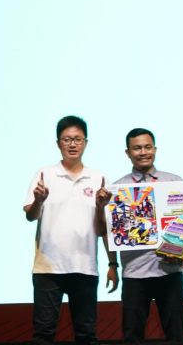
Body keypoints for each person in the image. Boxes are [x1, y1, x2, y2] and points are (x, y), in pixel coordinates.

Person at [23, 115, 111, 345]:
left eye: (78, 139)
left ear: (86, 142)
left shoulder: (98, 178)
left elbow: (102, 230)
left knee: (86, 336)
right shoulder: (44, 174)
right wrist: (39, 200)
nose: (72, 144)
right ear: (58, 143)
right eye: (67, 139)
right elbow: (30, 216)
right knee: (43, 335)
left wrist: (100, 207)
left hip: (85, 267)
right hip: (47, 268)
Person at [108, 128, 183, 343]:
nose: (143, 152)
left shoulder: (174, 181)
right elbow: (111, 231)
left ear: (155, 149)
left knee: (177, 336)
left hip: (170, 270)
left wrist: (177, 251)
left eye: (147, 147)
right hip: (134, 272)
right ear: (128, 152)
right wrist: (113, 264)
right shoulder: (117, 188)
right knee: (132, 336)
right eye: (137, 148)